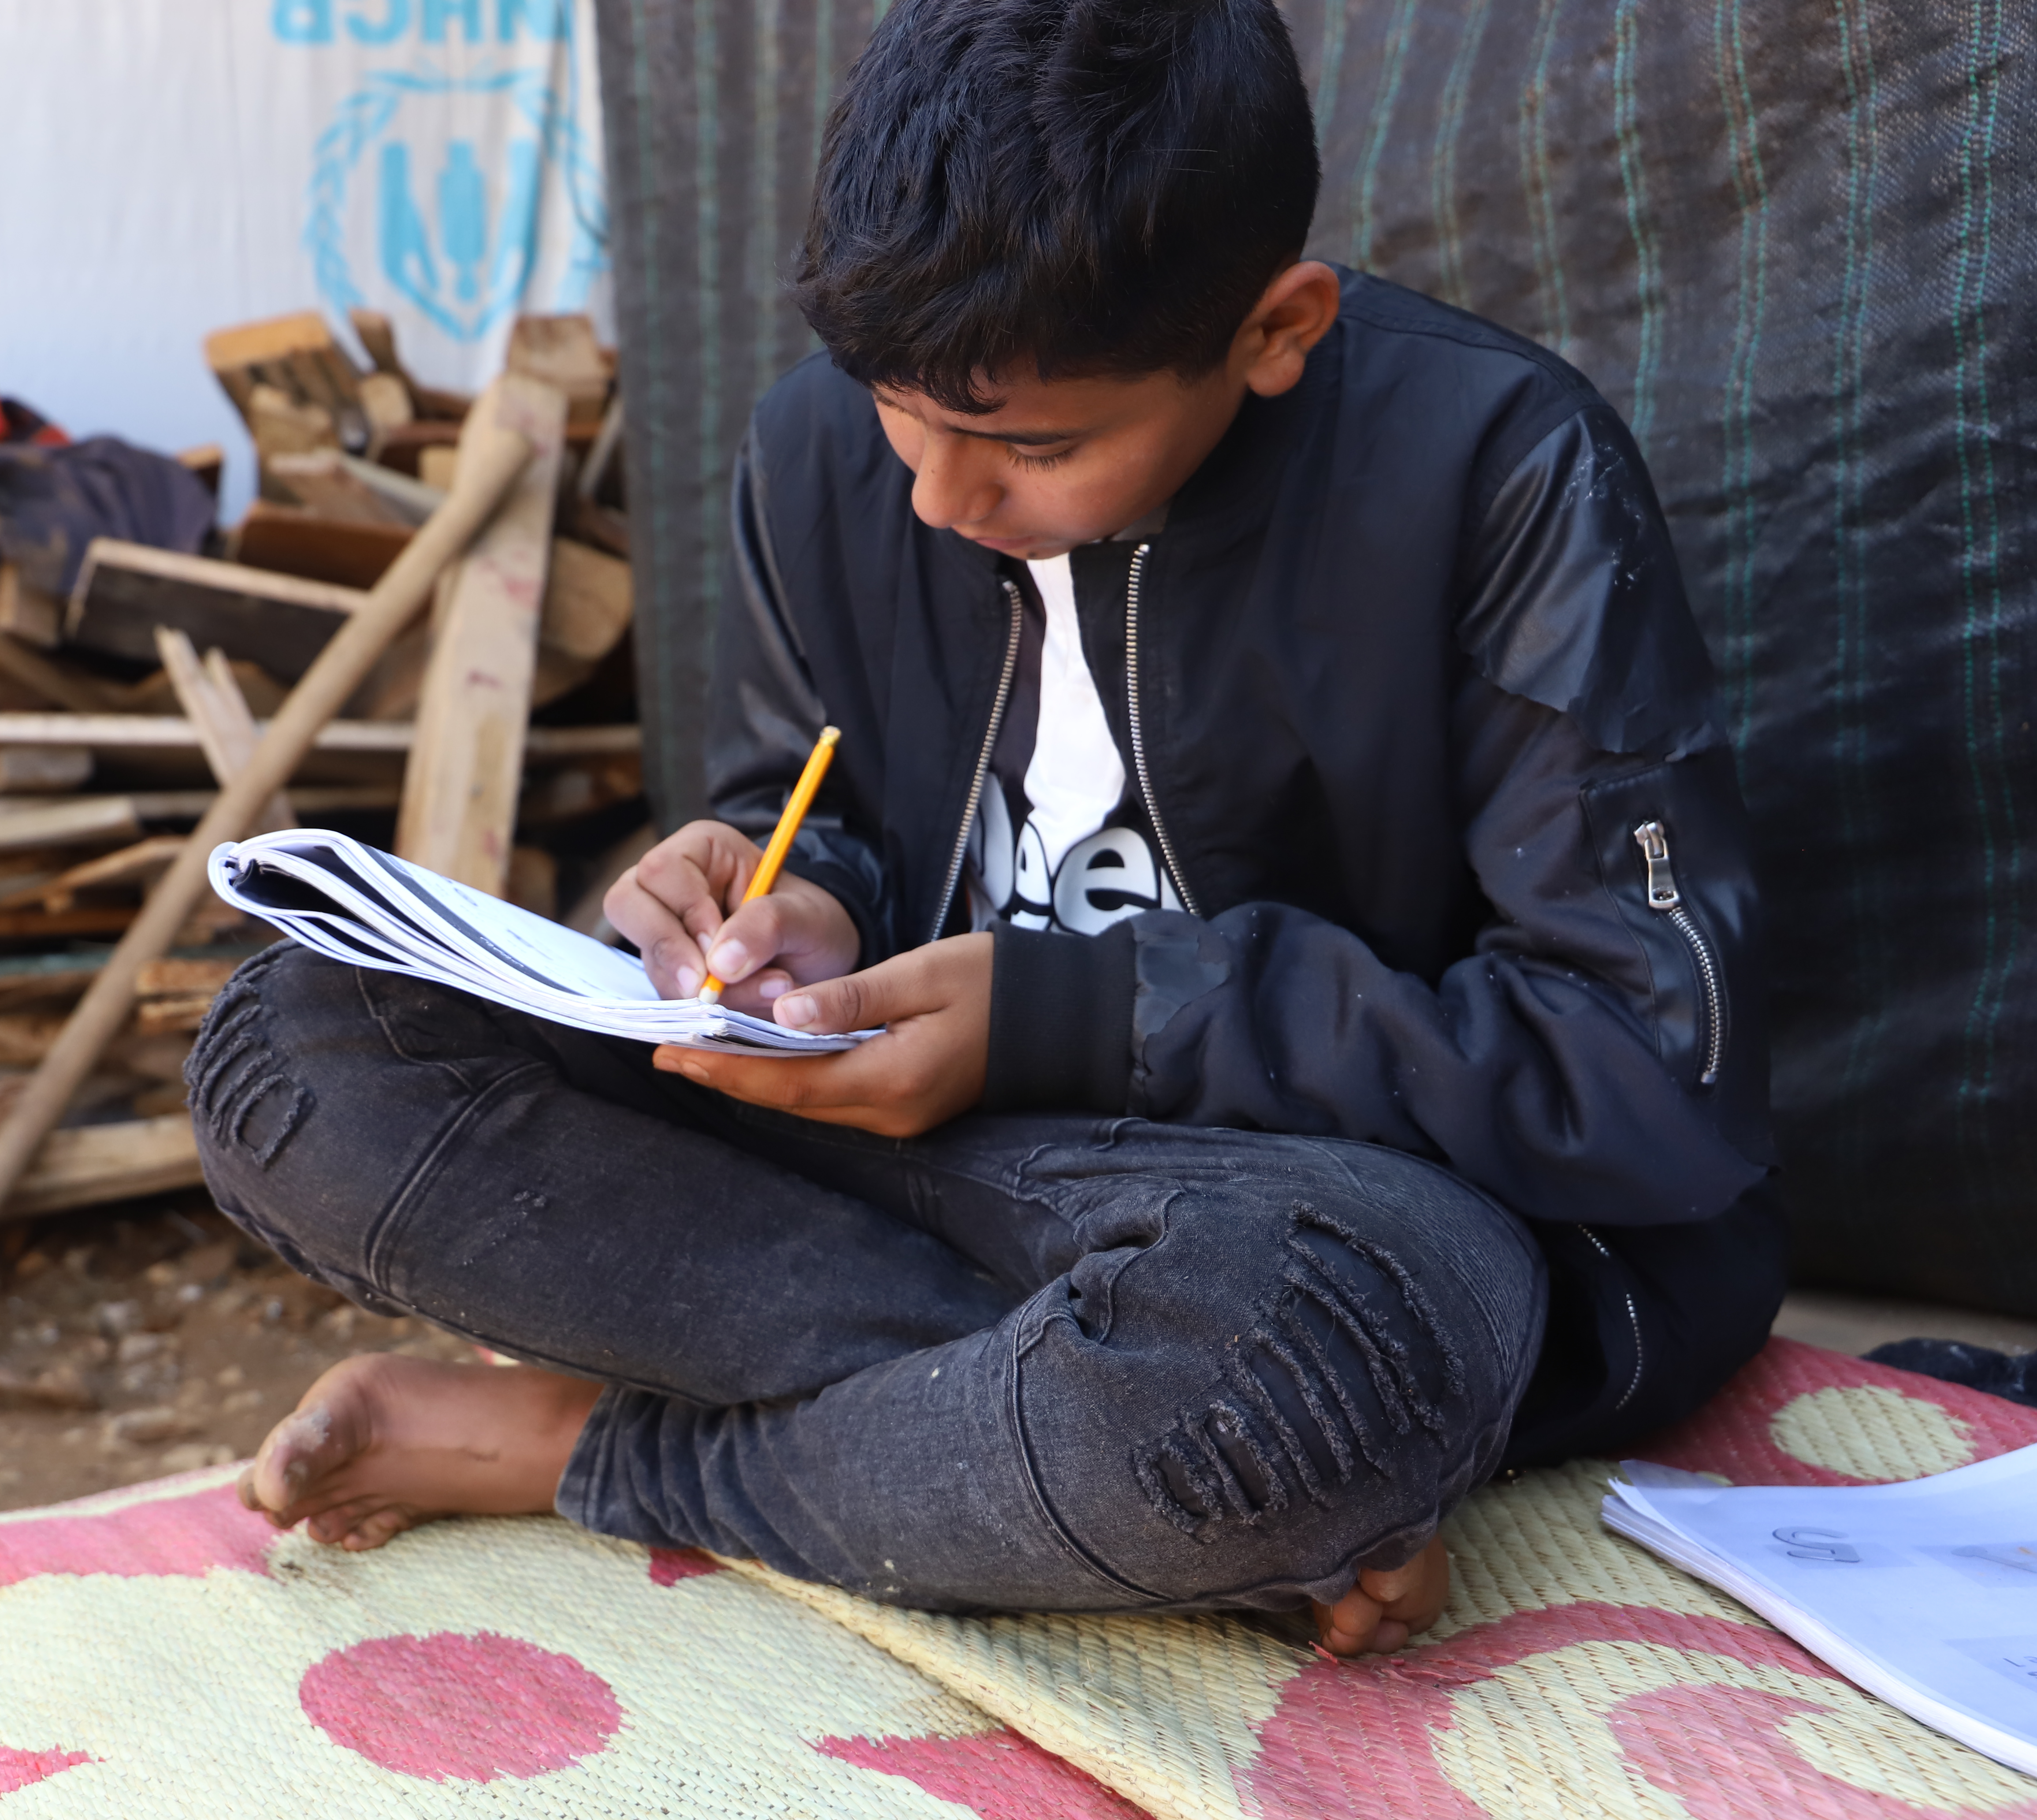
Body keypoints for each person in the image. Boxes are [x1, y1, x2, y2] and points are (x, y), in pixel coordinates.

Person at [187, 0, 1782, 1656]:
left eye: (1037, 445)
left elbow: (1644, 1067)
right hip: (940, 1171)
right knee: (293, 1051)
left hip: (1332, 1208)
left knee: (1287, 1365)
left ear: (1275, 328)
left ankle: (589, 1448)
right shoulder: (824, 443)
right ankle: (1161, 1483)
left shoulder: (1498, 467)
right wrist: (790, 896)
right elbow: (817, 806)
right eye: (900, 410)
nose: (943, 500)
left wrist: (1092, 1019)